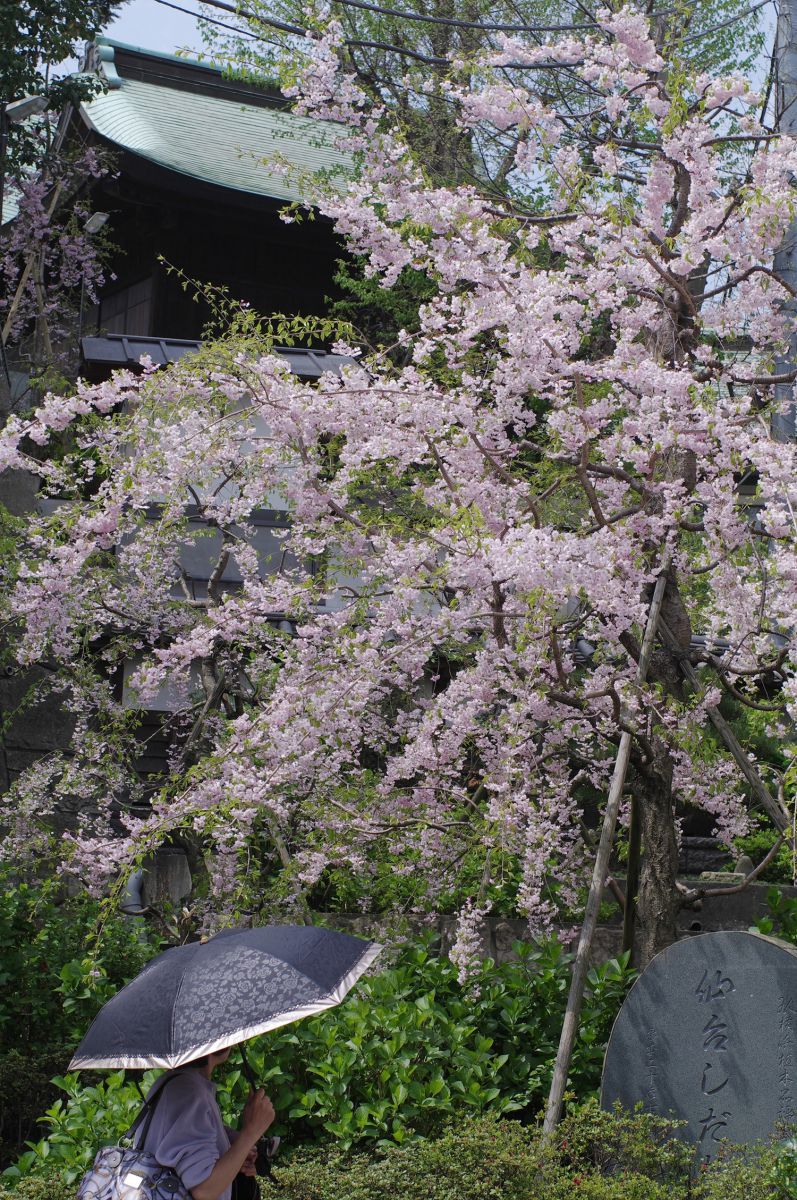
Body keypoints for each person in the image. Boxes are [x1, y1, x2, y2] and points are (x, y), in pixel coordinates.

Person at [140, 1048, 275, 1200]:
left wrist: (233, 1144)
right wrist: (250, 1132)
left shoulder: (170, 1082)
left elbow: (183, 1135)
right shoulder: (190, 1092)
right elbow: (204, 1190)